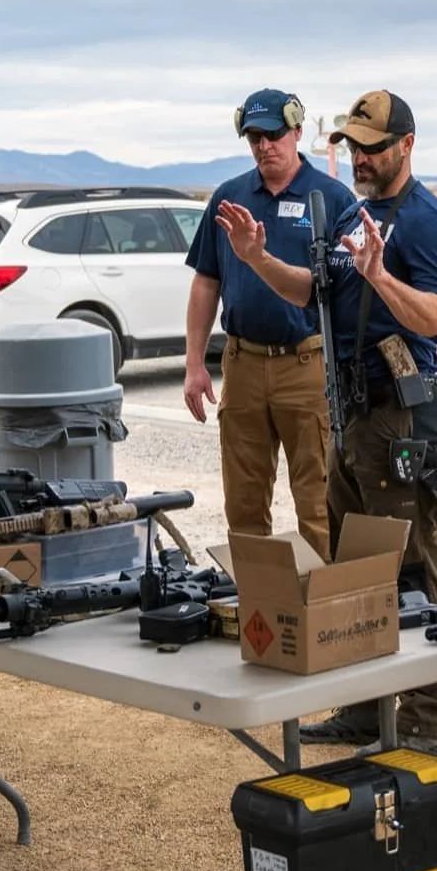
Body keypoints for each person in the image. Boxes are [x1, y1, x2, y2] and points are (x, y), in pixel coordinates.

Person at [217, 90, 437, 754]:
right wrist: (257, 261)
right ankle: (363, 709)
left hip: (399, 412)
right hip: (351, 414)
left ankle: (424, 723)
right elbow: (314, 291)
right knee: (352, 567)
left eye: (374, 146)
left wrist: (381, 276)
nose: (360, 156)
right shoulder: (353, 213)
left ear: (406, 146)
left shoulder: (424, 219)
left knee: (414, 565)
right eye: (354, 144)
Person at [182, 88, 359, 559]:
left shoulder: (333, 199)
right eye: (254, 137)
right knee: (243, 505)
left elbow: (349, 291)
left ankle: (321, 615)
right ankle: (257, 614)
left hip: (306, 366)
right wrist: (194, 364)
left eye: (274, 135)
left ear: (298, 132)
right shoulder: (230, 198)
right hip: (242, 366)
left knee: (319, 504)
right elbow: (205, 282)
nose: (264, 146)